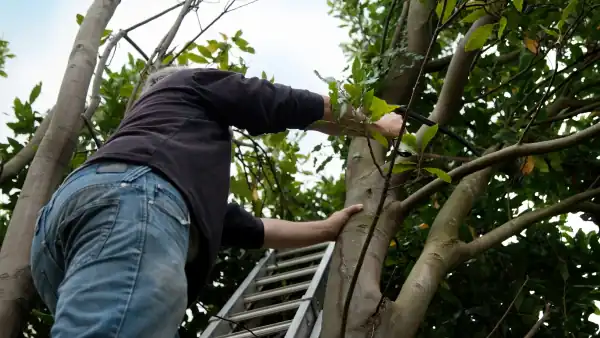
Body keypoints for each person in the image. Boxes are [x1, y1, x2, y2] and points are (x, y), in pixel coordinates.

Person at [30, 66, 404, 338]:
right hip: (133, 202)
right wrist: (372, 122)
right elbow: (270, 99)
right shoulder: (187, 81)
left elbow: (247, 228)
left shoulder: (172, 165)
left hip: (57, 234)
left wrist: (326, 229)